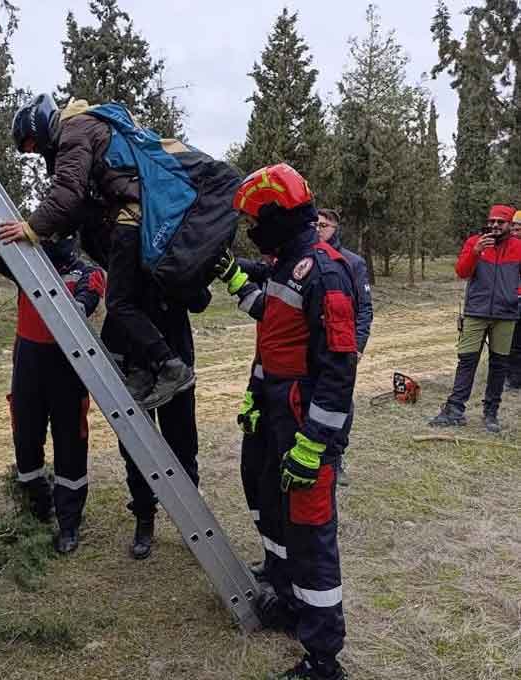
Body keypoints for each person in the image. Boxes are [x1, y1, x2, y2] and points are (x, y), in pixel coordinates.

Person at [0, 93, 238, 410]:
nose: (32, 151)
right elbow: (78, 205)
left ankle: (170, 367)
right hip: (134, 219)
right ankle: (139, 372)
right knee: (131, 304)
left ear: (37, 126)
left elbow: (69, 191)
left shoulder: (74, 129)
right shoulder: (90, 124)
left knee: (120, 302)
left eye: (29, 143)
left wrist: (31, 228)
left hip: (131, 219)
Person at [216, 164, 356, 680]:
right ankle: (291, 602)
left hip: (303, 419)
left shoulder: (325, 271)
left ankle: (323, 659)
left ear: (278, 214)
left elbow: (339, 368)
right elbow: (272, 338)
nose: (253, 230)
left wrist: (313, 443)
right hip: (276, 407)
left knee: (312, 534)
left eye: (257, 220)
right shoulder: (284, 266)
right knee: (274, 511)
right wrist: (256, 394)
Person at [0, 236, 105, 554]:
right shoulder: (26, 266)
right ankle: (38, 508)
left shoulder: (88, 272)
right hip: (28, 363)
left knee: (70, 443)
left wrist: (71, 301)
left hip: (68, 367)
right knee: (26, 438)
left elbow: (87, 301)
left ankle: (69, 523)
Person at [101, 286, 211, 559]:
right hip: (129, 358)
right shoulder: (120, 248)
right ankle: (144, 517)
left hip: (175, 357)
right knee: (135, 449)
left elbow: (200, 300)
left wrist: (184, 276)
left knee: (183, 446)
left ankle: (194, 521)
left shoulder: (179, 247)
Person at [429, 204, 521, 432]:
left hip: (506, 315)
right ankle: (454, 410)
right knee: (467, 361)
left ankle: (491, 413)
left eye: (501, 222)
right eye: (492, 221)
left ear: (510, 225)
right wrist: (475, 251)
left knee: (499, 365)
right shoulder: (474, 242)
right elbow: (461, 272)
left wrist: (513, 296)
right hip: (475, 312)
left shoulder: (519, 247)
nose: (495, 226)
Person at [317, 209, 373, 486]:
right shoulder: (308, 260)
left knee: (340, 403)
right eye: (315, 224)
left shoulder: (353, 263)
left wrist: (358, 346)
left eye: (325, 225)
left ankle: (336, 458)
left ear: (336, 228)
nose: (319, 229)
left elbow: (364, 310)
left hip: (344, 347)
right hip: (315, 345)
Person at [507, 210, 521, 391]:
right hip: (512, 299)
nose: (516, 233)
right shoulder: (508, 249)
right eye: (514, 229)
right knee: (513, 343)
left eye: (520, 230)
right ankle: (514, 379)